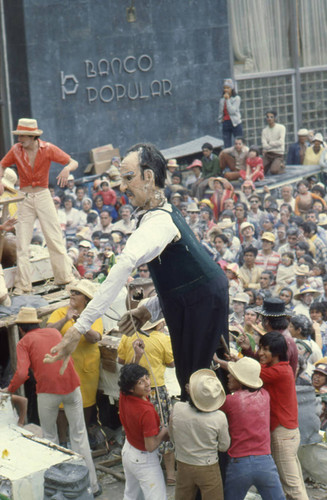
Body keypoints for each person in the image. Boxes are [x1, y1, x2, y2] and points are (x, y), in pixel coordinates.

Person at [44, 143, 229, 402]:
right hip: (197, 300)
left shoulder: (159, 220)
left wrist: (78, 328)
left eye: (129, 178)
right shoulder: (159, 213)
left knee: (200, 383)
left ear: (149, 177)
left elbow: (125, 265)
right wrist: (149, 308)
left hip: (203, 305)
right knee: (194, 379)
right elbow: (183, 282)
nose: (122, 187)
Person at [3, 307, 101, 497]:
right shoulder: (54, 332)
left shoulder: (24, 341)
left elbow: (22, 373)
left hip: (48, 392)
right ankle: (93, 486)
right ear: (37, 323)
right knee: (79, 436)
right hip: (72, 386)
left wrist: (9, 389)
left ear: (21, 328)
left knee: (50, 438)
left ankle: (58, 489)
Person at [0, 118, 76, 294]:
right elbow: (2, 164)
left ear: (32, 136)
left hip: (43, 195)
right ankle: (22, 285)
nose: (19, 139)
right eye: (19, 136)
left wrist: (67, 169)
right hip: (24, 197)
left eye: (22, 136)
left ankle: (64, 277)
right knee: (22, 242)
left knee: (54, 237)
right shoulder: (16, 150)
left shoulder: (47, 149)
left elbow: (72, 162)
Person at [117, 317, 176, 484]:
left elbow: (120, 361)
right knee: (162, 427)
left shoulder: (127, 336)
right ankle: (170, 473)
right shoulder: (162, 338)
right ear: (156, 323)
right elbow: (171, 363)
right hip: (156, 390)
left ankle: (131, 466)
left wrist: (137, 356)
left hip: (133, 389)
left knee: (134, 428)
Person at [218, 357, 286, 500]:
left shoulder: (231, 401)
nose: (228, 376)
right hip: (265, 463)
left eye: (232, 374)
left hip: (239, 464)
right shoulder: (265, 396)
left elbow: (211, 405)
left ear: (241, 380)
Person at [47, 279, 103, 438]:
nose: (72, 294)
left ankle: (80, 438)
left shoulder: (93, 315)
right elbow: (48, 330)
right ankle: (64, 440)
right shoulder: (60, 312)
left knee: (85, 403)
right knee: (61, 404)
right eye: (72, 291)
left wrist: (81, 322)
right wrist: (65, 319)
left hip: (86, 369)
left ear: (85, 299)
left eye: (77, 293)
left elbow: (95, 338)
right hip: (63, 367)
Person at [169, 369, 230, 500]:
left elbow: (172, 435)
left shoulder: (178, 408)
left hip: (183, 463)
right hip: (208, 465)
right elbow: (224, 446)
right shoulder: (219, 417)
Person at [118, 363, 169, 500]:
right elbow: (151, 446)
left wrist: (137, 355)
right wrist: (163, 432)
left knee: (131, 495)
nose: (147, 383)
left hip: (128, 451)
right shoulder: (146, 411)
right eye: (141, 382)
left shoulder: (124, 395)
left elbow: (129, 376)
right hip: (144, 459)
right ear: (131, 388)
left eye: (147, 378)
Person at [218, 78, 243, 148]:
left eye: (228, 88)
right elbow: (220, 111)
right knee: (227, 144)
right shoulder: (222, 99)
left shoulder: (237, 98)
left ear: (231, 88)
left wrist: (228, 100)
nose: (226, 90)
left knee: (238, 143)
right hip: (226, 122)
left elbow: (232, 111)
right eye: (224, 88)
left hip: (236, 123)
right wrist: (220, 120)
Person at [261, 110, 286, 175]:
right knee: (261, 170)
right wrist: (273, 144)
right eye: (268, 117)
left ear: (275, 118)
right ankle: (270, 164)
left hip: (278, 154)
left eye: (271, 117)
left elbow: (281, 142)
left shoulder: (281, 128)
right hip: (268, 154)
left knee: (274, 171)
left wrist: (270, 143)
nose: (269, 119)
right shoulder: (264, 130)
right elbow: (264, 145)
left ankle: (281, 166)